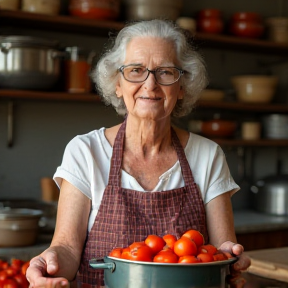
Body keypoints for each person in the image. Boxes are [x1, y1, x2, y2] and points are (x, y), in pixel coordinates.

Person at [26, 19, 251, 288]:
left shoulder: (208, 155)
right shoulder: (85, 151)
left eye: (166, 72)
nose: (150, 84)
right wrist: (50, 261)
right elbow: (67, 249)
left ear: (181, 88)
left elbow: (220, 249)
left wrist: (230, 256)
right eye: (136, 70)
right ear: (118, 85)